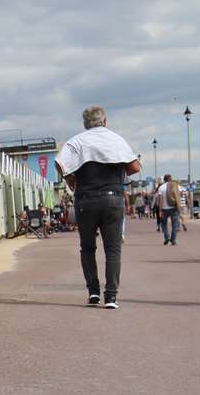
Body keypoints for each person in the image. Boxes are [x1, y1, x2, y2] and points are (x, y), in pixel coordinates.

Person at [53, 106, 141, 309]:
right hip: (112, 199)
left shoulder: (76, 141)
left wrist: (69, 179)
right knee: (113, 250)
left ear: (85, 124)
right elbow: (134, 167)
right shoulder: (116, 139)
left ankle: (93, 292)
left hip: (85, 199)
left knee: (87, 248)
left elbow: (59, 162)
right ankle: (111, 297)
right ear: (105, 121)